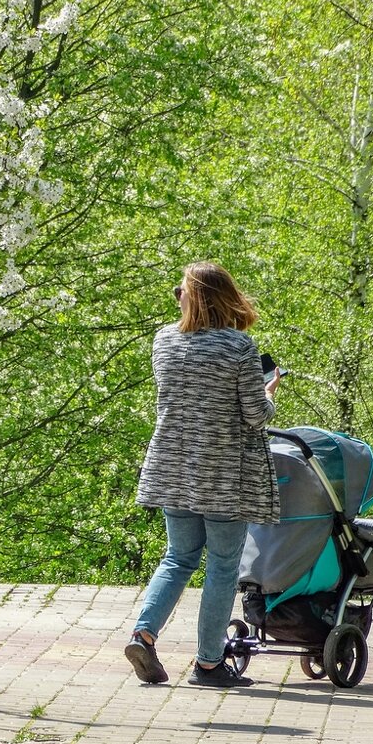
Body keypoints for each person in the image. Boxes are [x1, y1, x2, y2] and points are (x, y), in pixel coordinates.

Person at [124, 261, 281, 687]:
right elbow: (253, 415)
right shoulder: (238, 348)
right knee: (223, 564)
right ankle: (209, 663)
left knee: (178, 557)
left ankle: (144, 632)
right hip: (223, 470)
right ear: (225, 297)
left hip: (172, 465)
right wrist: (269, 394)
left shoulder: (164, 341)